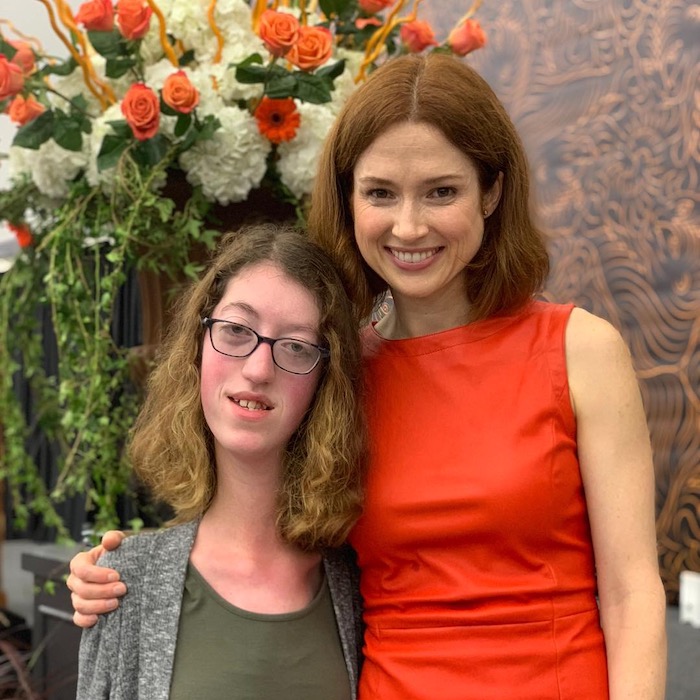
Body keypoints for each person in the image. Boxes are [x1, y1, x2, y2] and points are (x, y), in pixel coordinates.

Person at [68, 53, 667, 699]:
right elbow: (255, 526)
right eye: (381, 192)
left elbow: (633, 594)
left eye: (442, 191)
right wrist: (127, 570)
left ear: (491, 192)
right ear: (348, 198)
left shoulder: (580, 350)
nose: (409, 226)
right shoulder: (337, 367)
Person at [75, 223, 366, 699]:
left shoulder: (360, 584)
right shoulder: (123, 583)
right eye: (235, 330)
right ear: (197, 346)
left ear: (324, 384)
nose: (257, 369)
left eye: (295, 345)